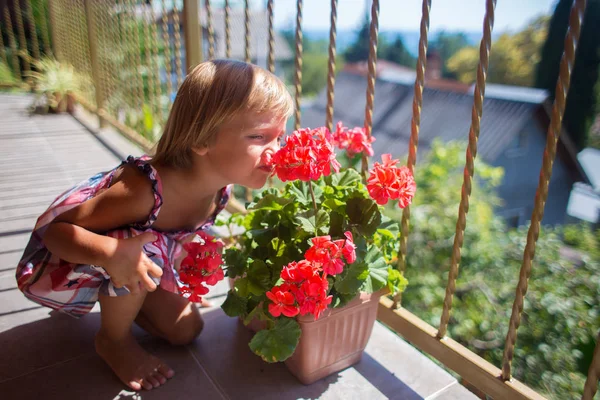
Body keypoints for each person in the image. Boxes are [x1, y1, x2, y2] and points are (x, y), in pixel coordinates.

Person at [15, 60, 293, 391]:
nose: (275, 152)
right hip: (78, 257)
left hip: (137, 260)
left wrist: (183, 272)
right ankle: (112, 340)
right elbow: (55, 233)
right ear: (202, 138)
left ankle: (127, 299)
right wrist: (111, 252)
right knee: (135, 246)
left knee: (186, 331)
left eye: (280, 136)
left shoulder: (220, 188)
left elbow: (179, 236)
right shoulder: (143, 192)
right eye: (259, 136)